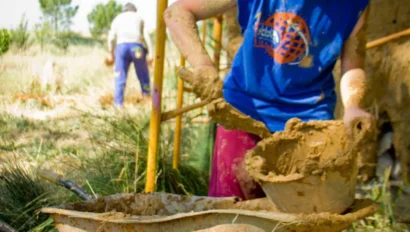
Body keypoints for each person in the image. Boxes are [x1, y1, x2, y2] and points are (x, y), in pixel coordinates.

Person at [164, 0, 373, 200]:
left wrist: (353, 106)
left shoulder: (354, 5)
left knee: (305, 218)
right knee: (233, 215)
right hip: (243, 116)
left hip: (310, 128)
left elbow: (353, 66)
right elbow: (177, 13)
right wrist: (202, 66)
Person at [107, 2, 153, 107]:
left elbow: (111, 37)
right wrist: (151, 53)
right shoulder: (139, 17)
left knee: (120, 75)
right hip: (137, 47)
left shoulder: (117, 18)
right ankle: (147, 100)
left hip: (121, 47)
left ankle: (118, 104)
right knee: (143, 74)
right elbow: (146, 36)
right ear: (134, 10)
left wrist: (110, 52)